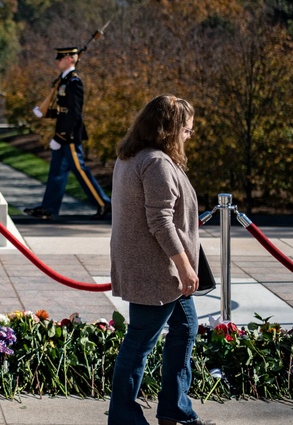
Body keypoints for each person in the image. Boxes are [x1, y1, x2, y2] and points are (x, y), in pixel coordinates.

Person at [107, 95, 214, 425]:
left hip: (150, 268)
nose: (189, 136)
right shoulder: (156, 163)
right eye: (187, 129)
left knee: (185, 328)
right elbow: (161, 221)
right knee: (139, 342)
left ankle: (175, 409)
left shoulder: (133, 156)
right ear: (170, 129)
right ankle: (125, 418)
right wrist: (185, 266)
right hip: (157, 271)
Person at [26, 45, 111, 220]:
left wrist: (60, 137)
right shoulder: (64, 81)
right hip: (63, 135)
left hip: (69, 136)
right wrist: (44, 112)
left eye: (61, 58)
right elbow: (62, 110)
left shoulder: (74, 82)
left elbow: (74, 113)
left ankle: (104, 203)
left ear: (70, 59)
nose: (57, 61)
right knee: (56, 172)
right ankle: (48, 208)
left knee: (80, 170)